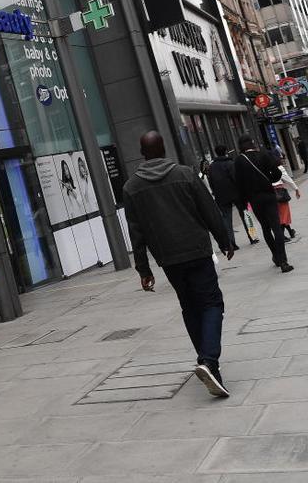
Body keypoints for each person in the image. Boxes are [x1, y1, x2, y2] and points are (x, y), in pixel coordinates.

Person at [123, 131, 233, 398]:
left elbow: (136, 233)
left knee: (189, 307)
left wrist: (143, 269)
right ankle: (208, 361)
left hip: (169, 259)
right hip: (196, 250)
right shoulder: (185, 174)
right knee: (211, 303)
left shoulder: (131, 187)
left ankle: (210, 368)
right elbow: (208, 209)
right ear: (163, 149)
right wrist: (224, 239)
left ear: (142, 152)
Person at [234, 135, 294, 273]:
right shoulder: (263, 154)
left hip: (254, 199)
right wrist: (269, 180)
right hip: (269, 195)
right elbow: (278, 173)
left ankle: (276, 256)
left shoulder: (239, 161)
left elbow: (239, 184)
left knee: (266, 228)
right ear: (252, 143)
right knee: (277, 228)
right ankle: (283, 261)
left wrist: (243, 203)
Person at [209, 145, 258, 249]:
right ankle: (252, 236)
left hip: (221, 195)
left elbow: (211, 182)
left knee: (226, 219)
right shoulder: (231, 163)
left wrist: (215, 192)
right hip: (236, 194)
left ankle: (231, 243)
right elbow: (236, 179)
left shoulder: (212, 166)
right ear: (226, 151)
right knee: (245, 214)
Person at [273, 163, 301, 240]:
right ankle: (281, 236)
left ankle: (290, 231)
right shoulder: (279, 168)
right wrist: (296, 189)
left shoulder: (263, 166)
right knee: (284, 214)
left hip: (270, 193)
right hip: (279, 192)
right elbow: (288, 179)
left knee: (279, 215)